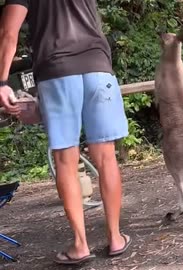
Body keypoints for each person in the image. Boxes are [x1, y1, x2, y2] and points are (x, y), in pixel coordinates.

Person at [0, 0, 132, 265]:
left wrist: (2, 81)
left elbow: (8, 33)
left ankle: (81, 245)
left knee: (65, 160)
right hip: (98, 67)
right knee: (106, 157)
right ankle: (116, 238)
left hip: (57, 70)